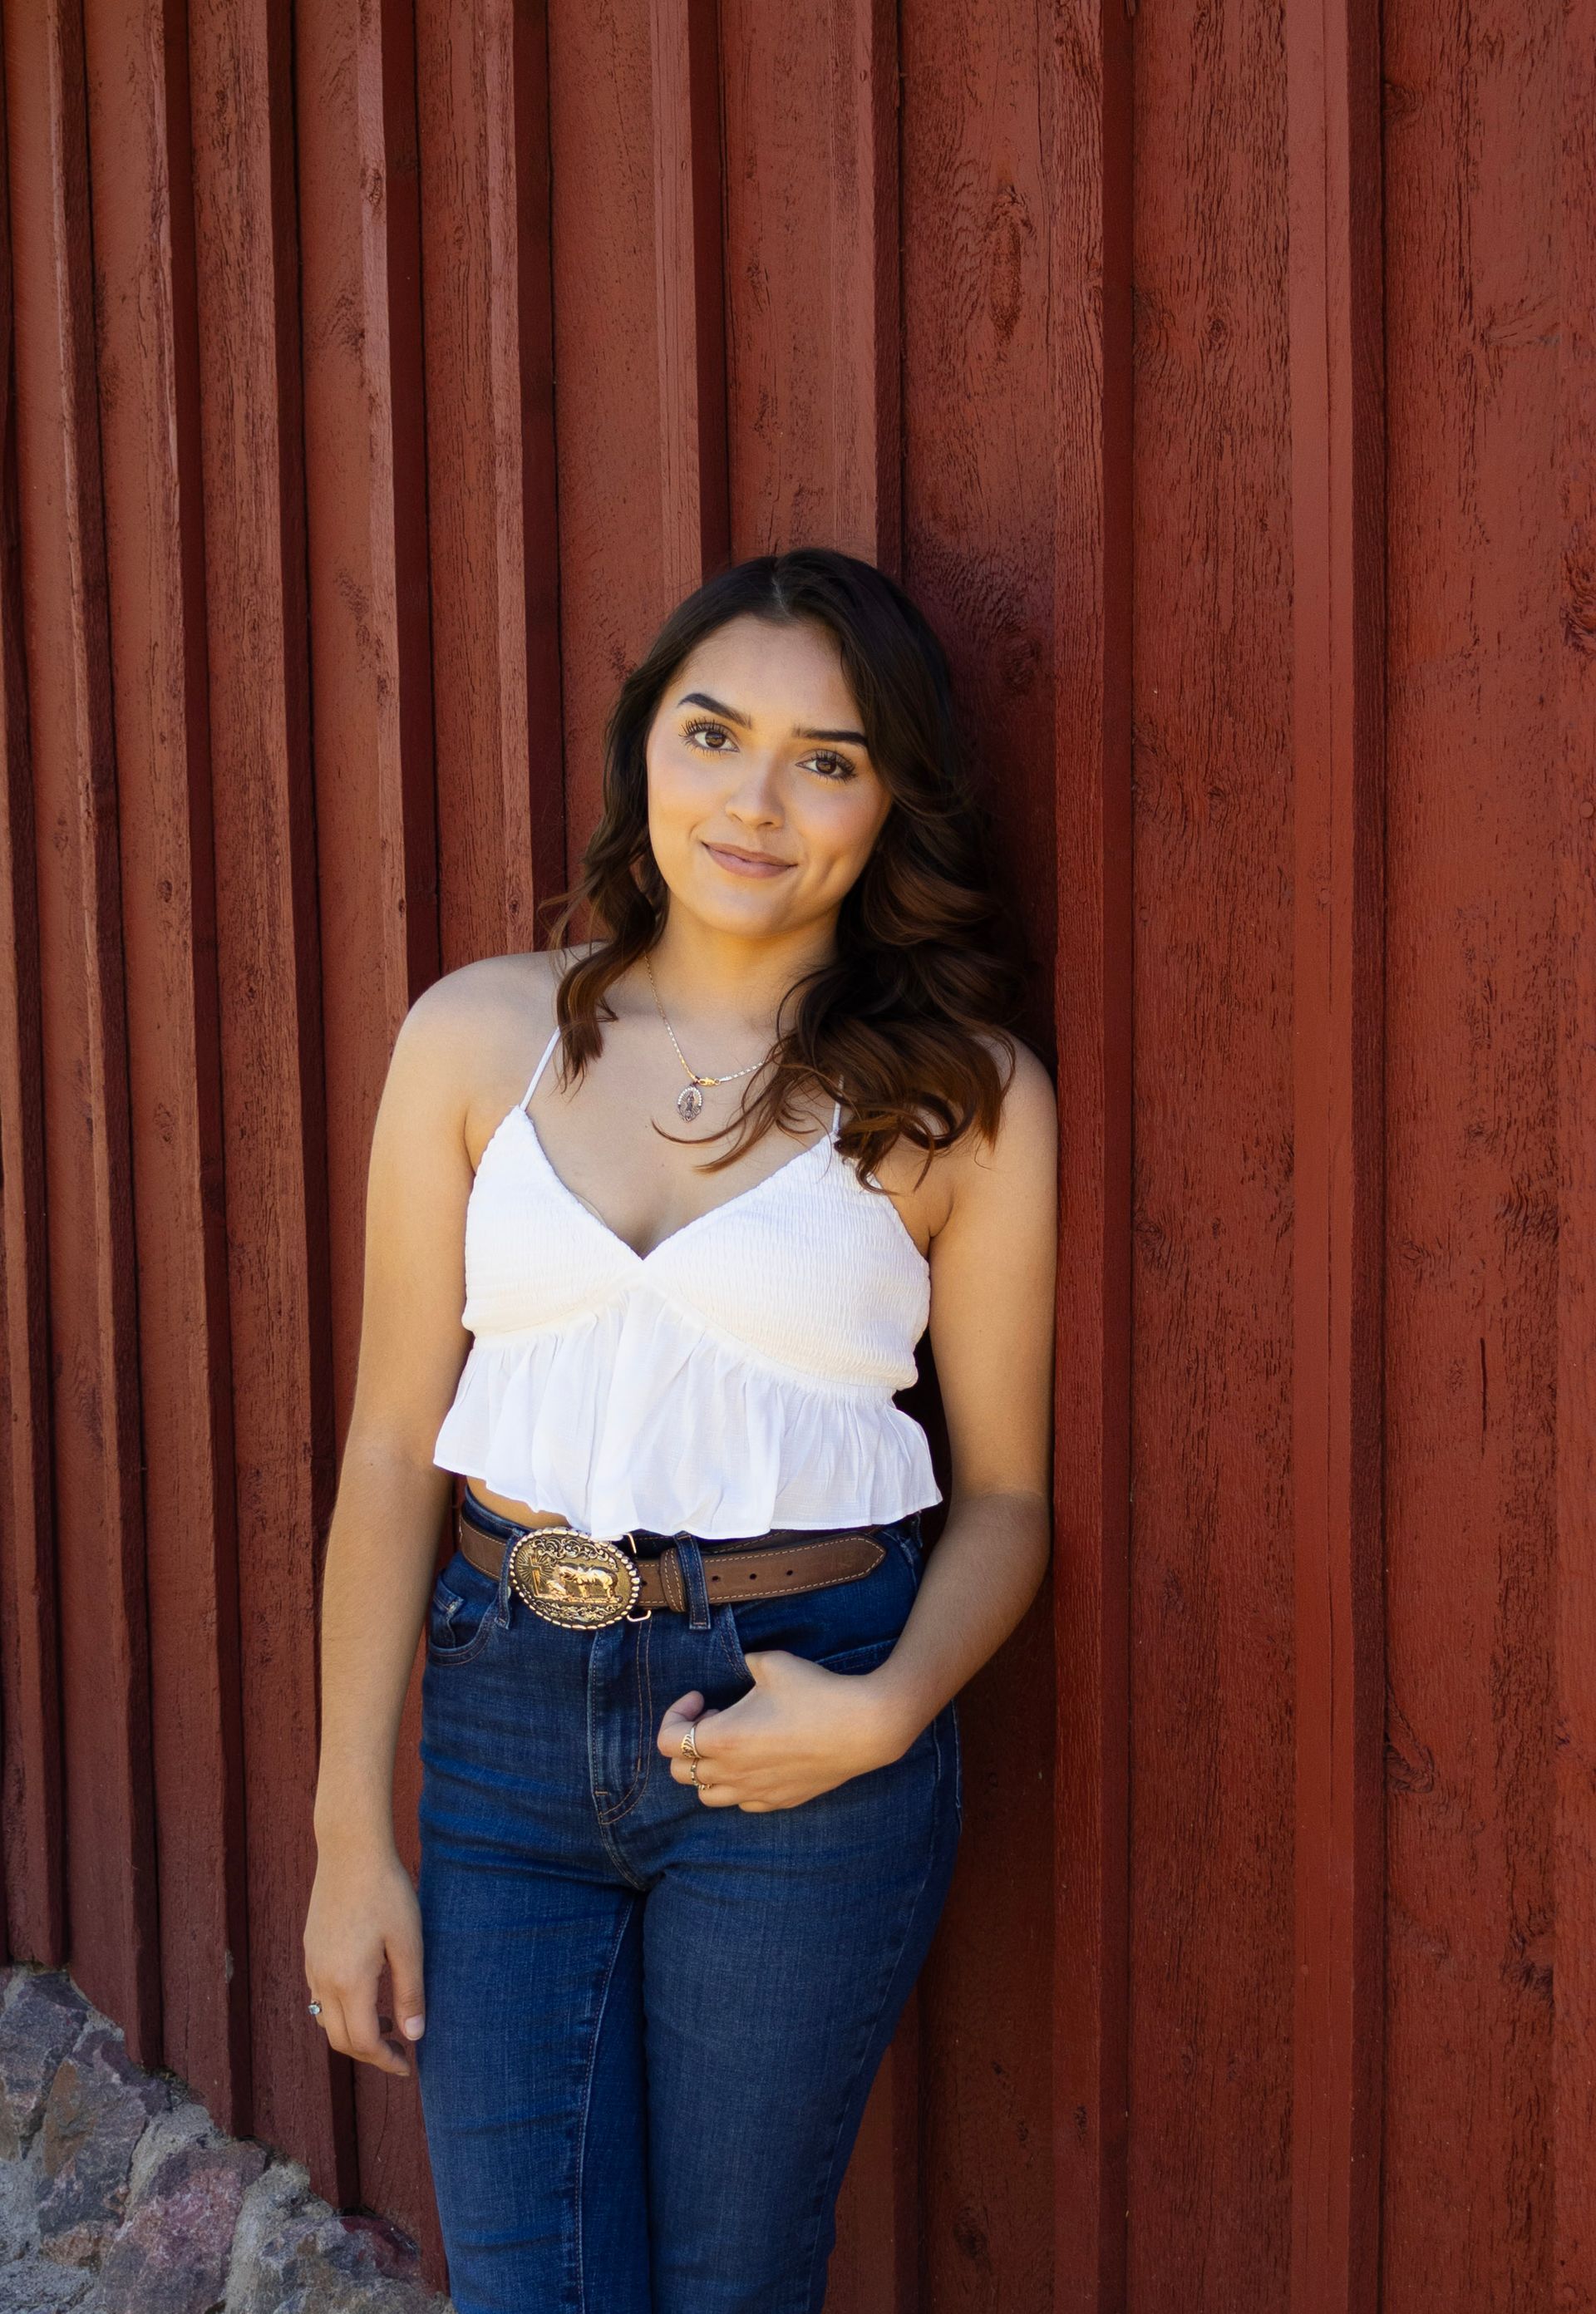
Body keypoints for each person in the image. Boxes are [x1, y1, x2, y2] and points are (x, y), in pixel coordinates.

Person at [302, 546, 1058, 2313]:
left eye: (830, 757)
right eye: (715, 733)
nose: (758, 799)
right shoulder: (478, 1036)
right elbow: (387, 1443)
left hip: (798, 1721)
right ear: (648, 747)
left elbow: (1010, 1500)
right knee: (528, 2288)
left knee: (731, 2286)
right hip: (501, 1711)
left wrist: (880, 1712)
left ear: (891, 808)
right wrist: (354, 1831)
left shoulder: (960, 1098)